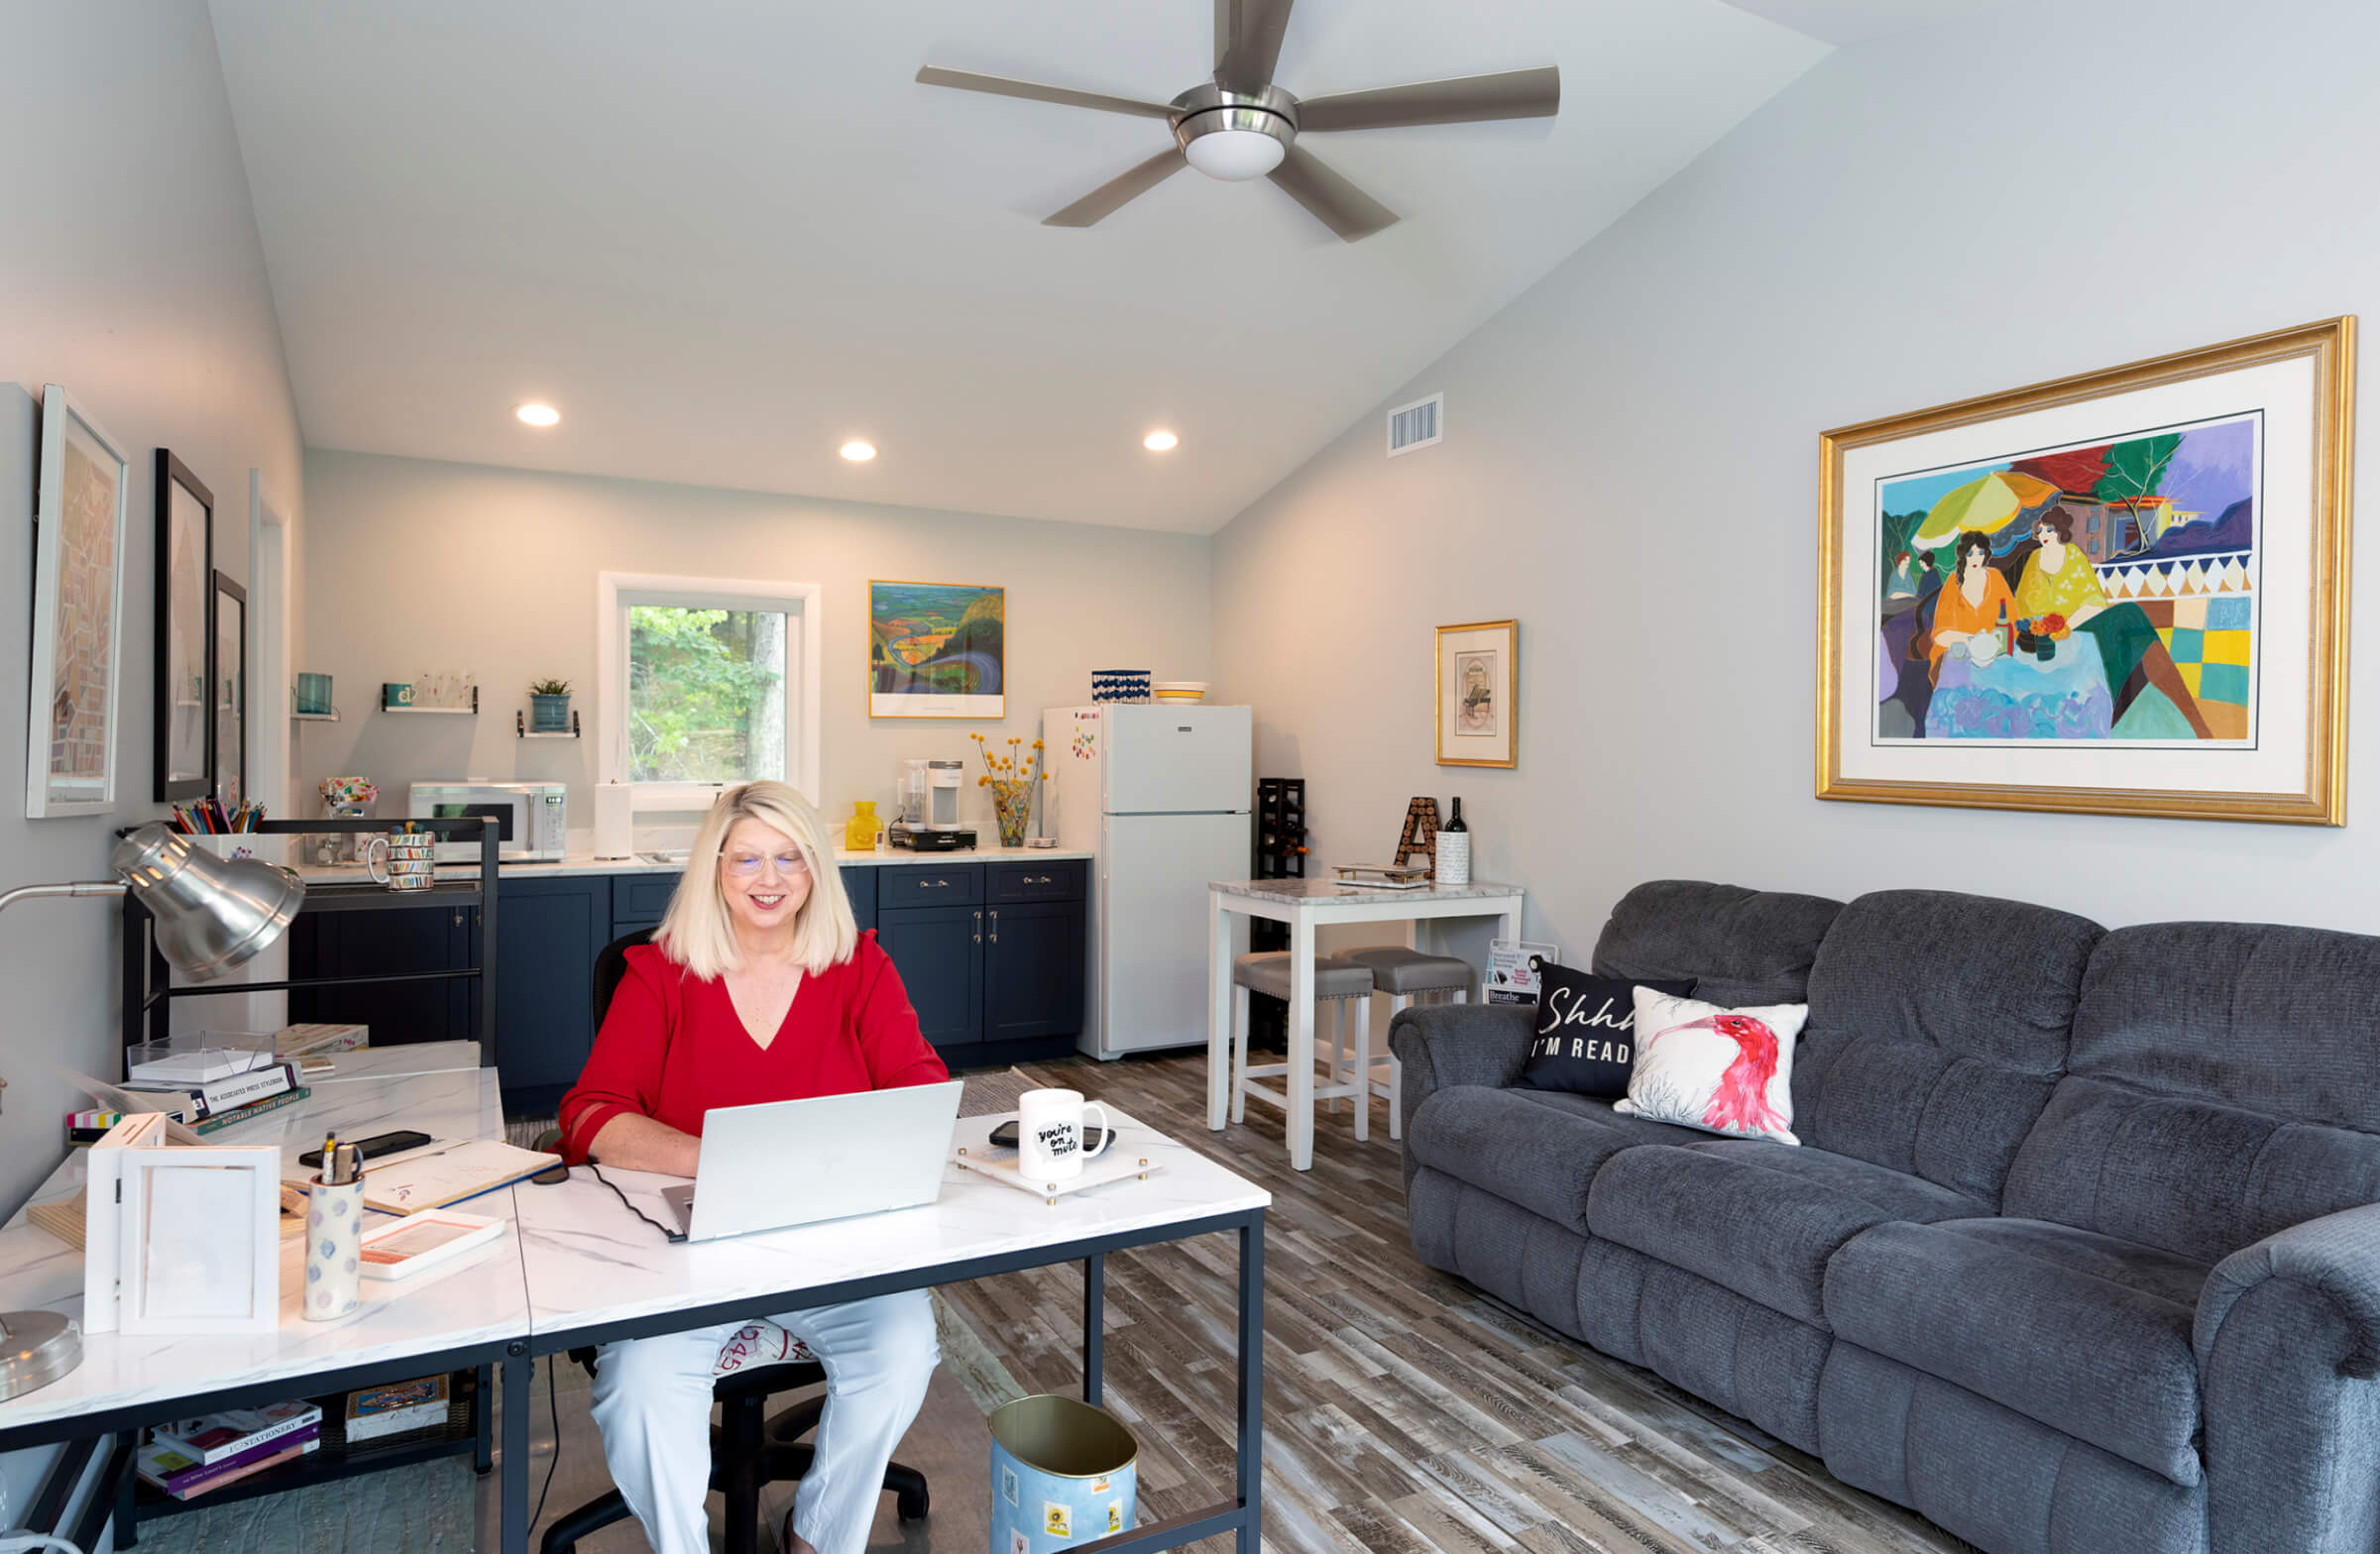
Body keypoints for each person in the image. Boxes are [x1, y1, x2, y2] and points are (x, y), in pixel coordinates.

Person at [557, 781, 948, 1554]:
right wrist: (723, 1162)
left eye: (788, 858)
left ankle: (819, 1535)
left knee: (905, 1346)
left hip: (830, 1242)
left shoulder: (858, 966)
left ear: (814, 870)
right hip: (691, 1247)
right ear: (715, 869)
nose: (768, 879)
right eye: (746, 860)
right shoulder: (660, 971)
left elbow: (921, 1091)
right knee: (638, 1389)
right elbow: (591, 1113)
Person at [1923, 530, 2014, 678]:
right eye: (1970, 554)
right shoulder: (1953, 582)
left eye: (1980, 553)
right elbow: (1940, 633)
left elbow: (2012, 618)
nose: (1976, 559)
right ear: (1963, 555)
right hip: (1958, 656)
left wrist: (1991, 644)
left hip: (1992, 654)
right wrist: (1972, 640)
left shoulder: (1995, 577)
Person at [2013, 507, 2109, 640]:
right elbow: (2021, 600)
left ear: (2060, 530)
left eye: (2049, 530)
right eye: (2040, 531)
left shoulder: (2073, 554)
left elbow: (2094, 601)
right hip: (2035, 630)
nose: (2044, 535)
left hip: (2072, 629)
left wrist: (2068, 627)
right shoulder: (2034, 557)